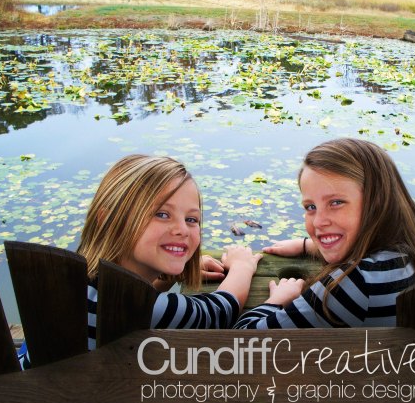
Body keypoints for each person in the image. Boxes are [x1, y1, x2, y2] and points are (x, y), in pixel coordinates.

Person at [18, 154, 261, 368]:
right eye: (162, 214)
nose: (182, 230)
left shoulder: (81, 282)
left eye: (192, 219)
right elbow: (219, 311)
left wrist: (173, 273)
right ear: (110, 221)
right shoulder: (140, 307)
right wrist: (242, 267)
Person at [235, 138, 415, 330]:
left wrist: (277, 300)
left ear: (377, 203)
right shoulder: (411, 252)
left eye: (336, 203)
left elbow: (245, 342)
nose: (318, 221)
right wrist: (309, 245)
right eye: (310, 207)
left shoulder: (357, 283)